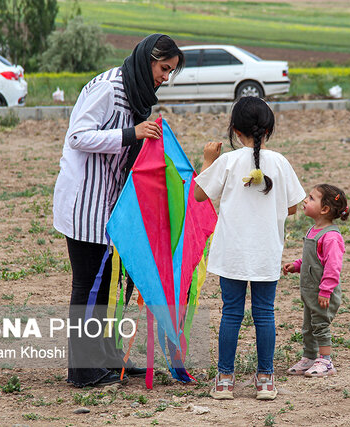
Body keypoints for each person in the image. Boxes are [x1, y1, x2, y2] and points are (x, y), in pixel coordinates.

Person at [53, 34, 184, 387]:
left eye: (170, 72)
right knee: (89, 287)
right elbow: (78, 136)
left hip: (110, 207)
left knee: (115, 286)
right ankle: (81, 371)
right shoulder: (110, 88)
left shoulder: (135, 94)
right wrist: (131, 134)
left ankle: (107, 357)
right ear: (148, 60)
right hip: (85, 204)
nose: (165, 78)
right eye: (163, 68)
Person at [194, 96, 305, 400]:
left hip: (231, 251)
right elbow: (294, 206)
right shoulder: (280, 162)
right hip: (265, 251)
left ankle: (225, 380)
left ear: (234, 129)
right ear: (269, 130)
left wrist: (207, 160)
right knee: (264, 313)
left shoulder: (227, 161)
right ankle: (266, 379)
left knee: (231, 313)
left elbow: (200, 195)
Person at [283, 184, 349, 377]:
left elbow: (332, 267)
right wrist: (297, 265)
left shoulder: (331, 237)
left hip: (323, 293)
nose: (305, 200)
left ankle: (326, 361)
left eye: (311, 198)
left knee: (320, 325)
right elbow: (313, 259)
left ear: (325, 209)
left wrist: (326, 290)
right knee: (308, 326)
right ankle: (310, 357)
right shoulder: (314, 230)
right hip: (311, 291)